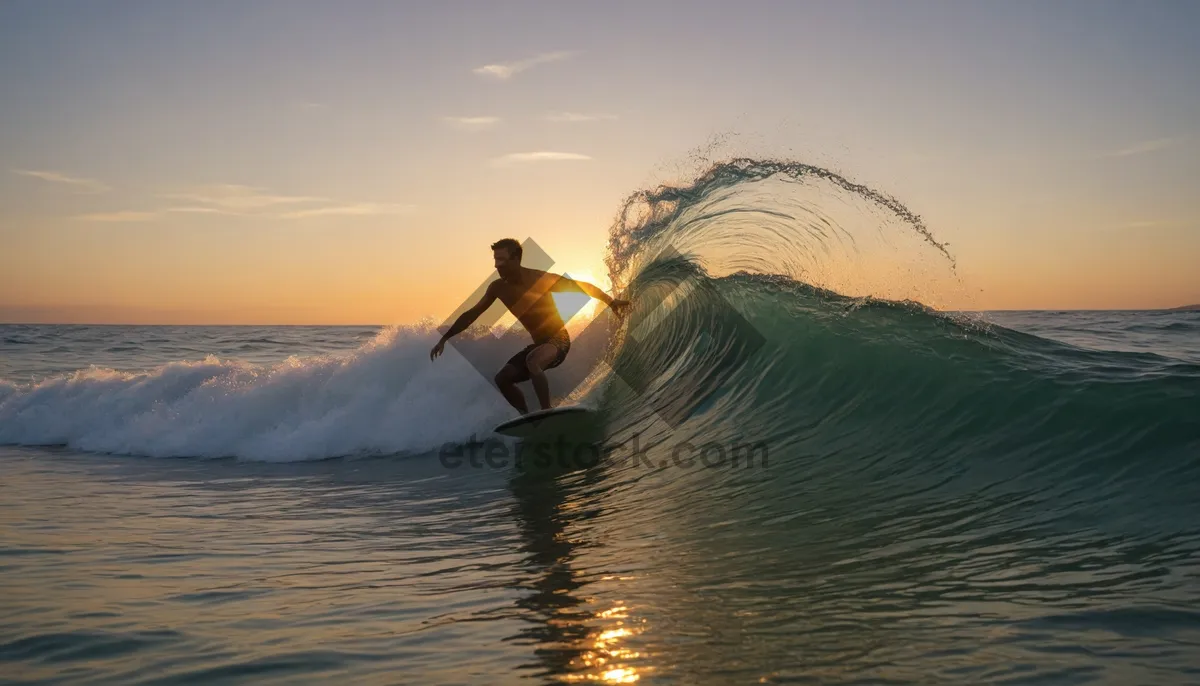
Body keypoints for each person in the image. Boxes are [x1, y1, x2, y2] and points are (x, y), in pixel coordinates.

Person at [430, 238, 630, 414]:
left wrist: (611, 302)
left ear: (516, 259)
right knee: (502, 379)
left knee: (533, 361)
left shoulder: (540, 279)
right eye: (495, 260)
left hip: (558, 339)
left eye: (501, 260)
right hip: (539, 344)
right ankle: (527, 418)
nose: (496, 265)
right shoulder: (498, 288)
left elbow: (582, 286)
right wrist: (445, 338)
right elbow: (472, 313)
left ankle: (546, 412)